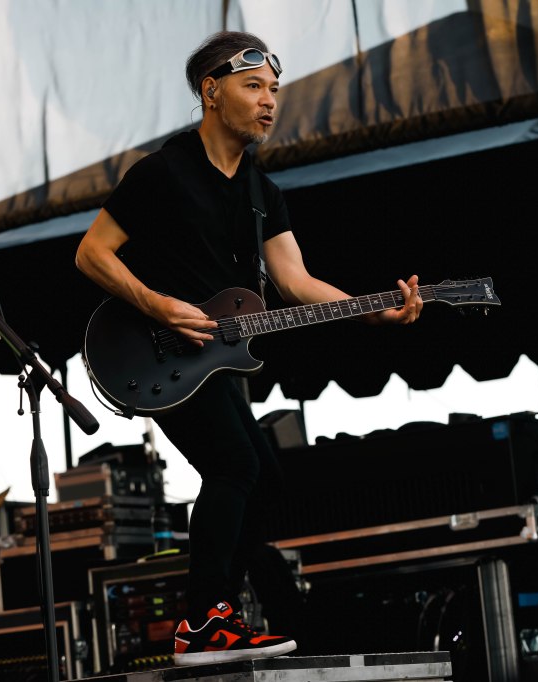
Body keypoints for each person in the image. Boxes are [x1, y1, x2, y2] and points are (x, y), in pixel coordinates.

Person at [76, 31, 422, 666]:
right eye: (254, 86)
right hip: (158, 355)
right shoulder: (162, 173)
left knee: (264, 481)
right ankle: (202, 623)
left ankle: (216, 618)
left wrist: (371, 307)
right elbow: (91, 253)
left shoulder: (262, 192)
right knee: (235, 466)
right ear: (211, 92)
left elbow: (294, 281)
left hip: (216, 364)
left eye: (274, 90)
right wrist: (157, 305)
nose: (270, 102)